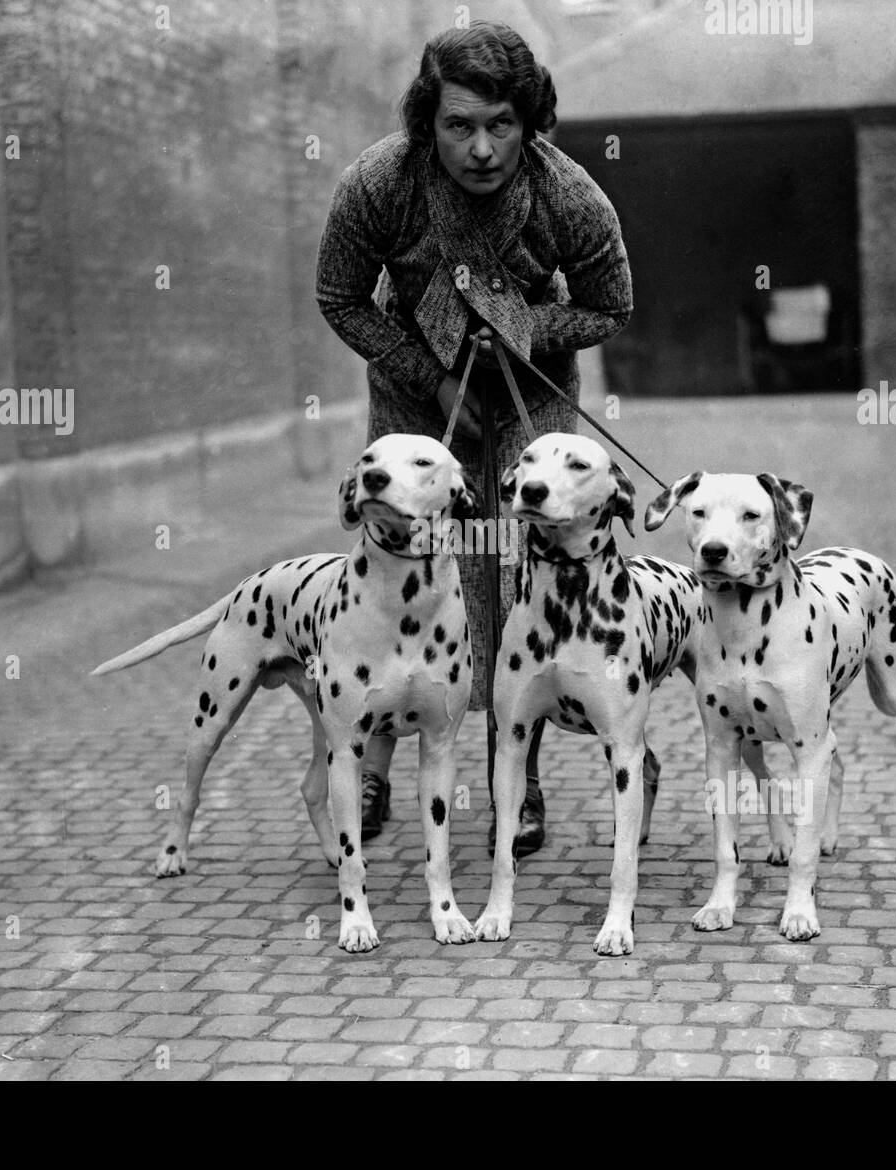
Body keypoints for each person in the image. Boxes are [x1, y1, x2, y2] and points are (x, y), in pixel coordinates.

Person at [315, 20, 632, 855]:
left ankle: (513, 780)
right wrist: (435, 375)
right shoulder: (378, 183)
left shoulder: (570, 197)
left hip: (530, 395)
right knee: (401, 561)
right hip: (416, 390)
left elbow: (612, 304)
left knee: (507, 571)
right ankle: (375, 755)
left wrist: (523, 326)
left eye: (502, 126)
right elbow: (340, 297)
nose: (482, 148)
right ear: (428, 123)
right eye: (459, 126)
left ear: (531, 124)